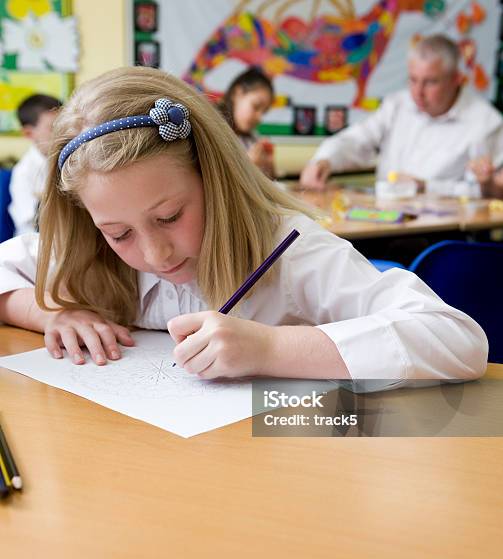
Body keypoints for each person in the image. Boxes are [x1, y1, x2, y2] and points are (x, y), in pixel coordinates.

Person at [0, 67, 488, 383]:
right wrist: (51, 314)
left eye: (170, 216)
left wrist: (272, 348)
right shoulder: (91, 249)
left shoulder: (289, 247)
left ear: (215, 179)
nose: (155, 255)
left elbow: (457, 340)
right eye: (119, 233)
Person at [300, 34, 503, 196]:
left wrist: (426, 187)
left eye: (431, 82)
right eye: (413, 80)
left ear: (457, 79)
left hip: (445, 229)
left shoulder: (486, 122)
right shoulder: (398, 104)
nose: (418, 91)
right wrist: (324, 160)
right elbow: (357, 139)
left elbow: (491, 192)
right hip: (385, 219)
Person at [8, 94, 62, 235]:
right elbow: (37, 221)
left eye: (64, 125)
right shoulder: (24, 172)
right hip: (36, 242)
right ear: (29, 133)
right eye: (53, 128)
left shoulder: (68, 158)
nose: (63, 134)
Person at [219, 67, 275, 178]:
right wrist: (249, 166)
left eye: (264, 112)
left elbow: (269, 182)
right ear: (238, 93)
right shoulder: (213, 130)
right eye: (256, 106)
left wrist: (269, 166)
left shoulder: (252, 139)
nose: (260, 118)